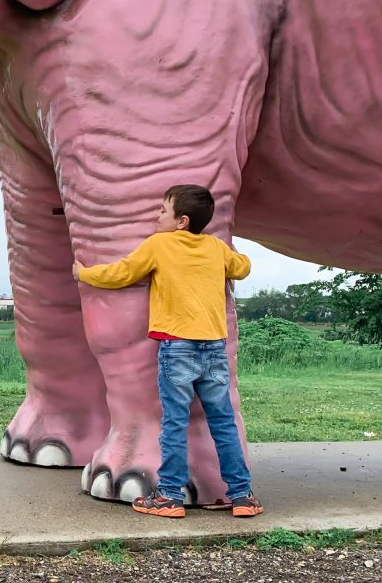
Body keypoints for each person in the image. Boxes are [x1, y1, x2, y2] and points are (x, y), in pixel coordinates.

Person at [72, 184, 263, 519]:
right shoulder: (216, 248)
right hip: (214, 349)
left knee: (174, 423)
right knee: (223, 422)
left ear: (181, 221)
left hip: (177, 349)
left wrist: (83, 273)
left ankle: (170, 497)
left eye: (162, 210)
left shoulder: (160, 245)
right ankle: (242, 497)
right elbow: (242, 268)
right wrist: (240, 256)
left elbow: (122, 273)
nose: (156, 215)